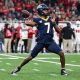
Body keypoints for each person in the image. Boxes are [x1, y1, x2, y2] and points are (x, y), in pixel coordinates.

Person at [11, 4, 68, 75]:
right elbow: (28, 23)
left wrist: (54, 23)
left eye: (47, 9)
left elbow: (58, 31)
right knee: (30, 57)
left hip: (50, 42)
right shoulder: (37, 20)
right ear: (41, 11)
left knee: (61, 53)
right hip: (41, 42)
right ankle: (18, 68)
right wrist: (26, 18)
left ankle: (63, 70)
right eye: (45, 10)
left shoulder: (51, 19)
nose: (47, 11)